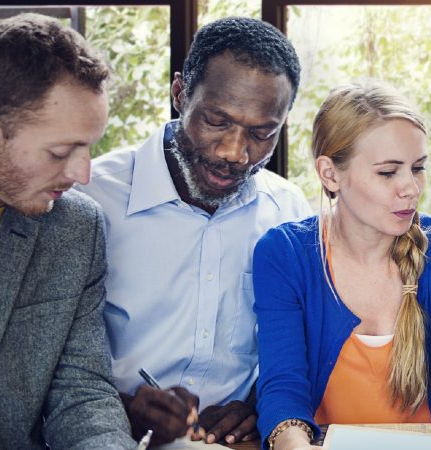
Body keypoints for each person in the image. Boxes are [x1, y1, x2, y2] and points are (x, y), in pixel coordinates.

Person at [75, 17, 312, 445]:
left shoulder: (288, 212)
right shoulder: (92, 198)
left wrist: (260, 402)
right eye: (217, 121)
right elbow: (46, 364)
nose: (235, 153)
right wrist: (123, 408)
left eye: (261, 133)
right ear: (180, 93)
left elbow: (297, 345)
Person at [0, 13, 134, 449]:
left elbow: (82, 394)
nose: (83, 174)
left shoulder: (76, 227)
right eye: (60, 151)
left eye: (89, 149)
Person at [252, 83, 431, 450]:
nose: (410, 188)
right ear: (330, 174)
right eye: (388, 173)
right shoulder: (284, 254)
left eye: (418, 168)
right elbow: (283, 387)